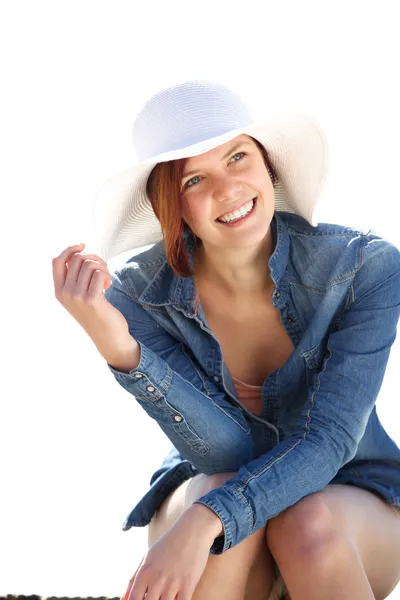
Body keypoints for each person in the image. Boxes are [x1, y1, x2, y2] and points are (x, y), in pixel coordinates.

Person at [52, 80, 400, 600]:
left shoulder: (364, 269)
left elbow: (328, 441)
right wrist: (119, 350)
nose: (228, 188)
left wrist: (206, 520)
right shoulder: (136, 298)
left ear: (268, 165)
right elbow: (226, 451)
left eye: (238, 157)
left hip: (350, 494)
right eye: (195, 179)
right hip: (207, 479)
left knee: (303, 521)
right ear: (173, 207)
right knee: (219, 499)